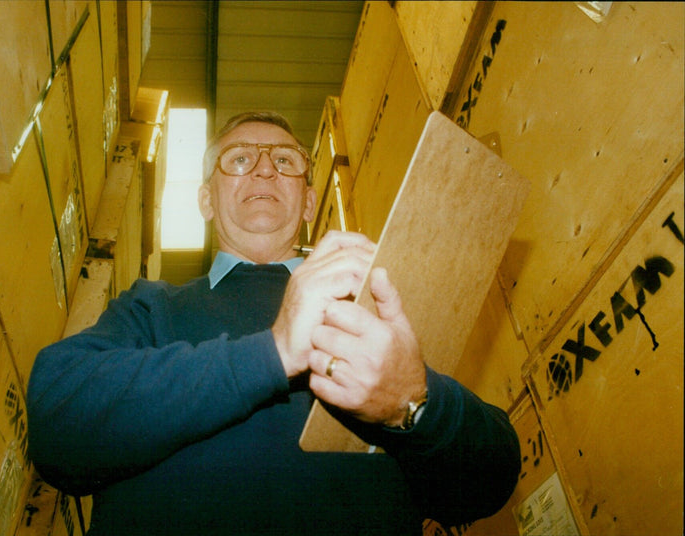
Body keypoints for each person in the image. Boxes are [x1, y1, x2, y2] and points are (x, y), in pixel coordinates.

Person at [27, 111, 520, 535]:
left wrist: (414, 404)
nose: (264, 169)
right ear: (204, 201)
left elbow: (491, 482)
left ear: (308, 202)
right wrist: (275, 352)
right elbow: (56, 421)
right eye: (240, 159)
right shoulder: (152, 306)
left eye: (285, 161)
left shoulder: (377, 311)